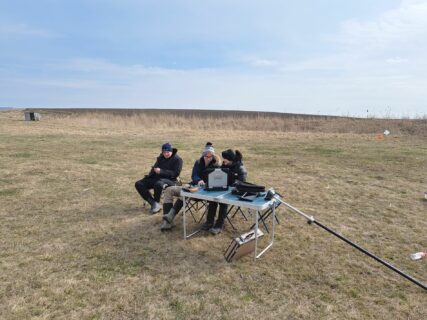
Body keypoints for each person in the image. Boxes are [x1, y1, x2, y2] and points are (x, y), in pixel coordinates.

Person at [160, 142, 220, 230]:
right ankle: (168, 221)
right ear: (203, 155)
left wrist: (205, 183)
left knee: (185, 192)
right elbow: (194, 175)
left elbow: (216, 180)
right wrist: (198, 180)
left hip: (204, 192)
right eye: (206, 155)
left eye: (210, 156)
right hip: (192, 185)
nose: (208, 157)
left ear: (213, 155)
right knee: (169, 190)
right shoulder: (198, 162)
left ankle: (169, 217)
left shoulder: (217, 165)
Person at [202, 149, 247, 235]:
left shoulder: (241, 168)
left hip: (233, 192)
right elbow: (219, 175)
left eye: (224, 159)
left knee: (222, 202)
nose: (223, 160)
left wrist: (232, 180)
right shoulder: (224, 165)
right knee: (212, 199)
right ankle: (209, 222)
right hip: (222, 188)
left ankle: (219, 225)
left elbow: (241, 184)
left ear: (230, 159)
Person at [135, 143, 183, 213]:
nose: (166, 154)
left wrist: (161, 171)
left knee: (158, 184)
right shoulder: (160, 158)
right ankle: (154, 203)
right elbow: (155, 168)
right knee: (139, 184)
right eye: (164, 152)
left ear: (171, 151)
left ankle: (156, 203)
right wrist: (151, 173)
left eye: (168, 152)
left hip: (171, 180)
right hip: (158, 178)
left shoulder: (177, 159)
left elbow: (175, 174)